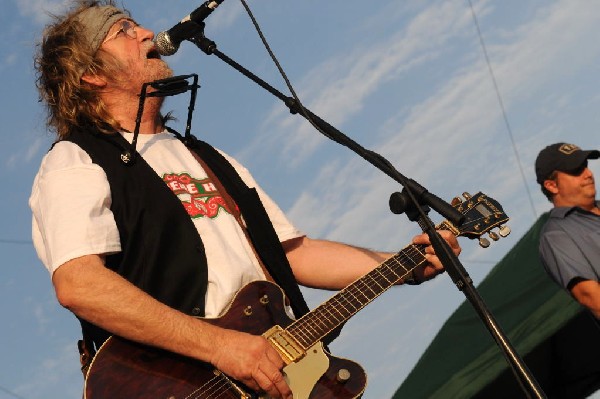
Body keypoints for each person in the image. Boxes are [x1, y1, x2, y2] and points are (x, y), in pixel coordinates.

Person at [30, 1, 461, 398]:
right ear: (91, 74)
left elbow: (292, 254)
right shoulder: (77, 159)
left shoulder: (209, 158)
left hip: (277, 375)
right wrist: (222, 346)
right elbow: (79, 284)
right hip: (185, 381)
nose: (146, 31)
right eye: (123, 30)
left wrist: (404, 265)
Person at [536, 142, 600, 318]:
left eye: (585, 166)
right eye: (576, 170)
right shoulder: (555, 235)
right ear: (552, 185)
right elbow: (591, 297)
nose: (588, 174)